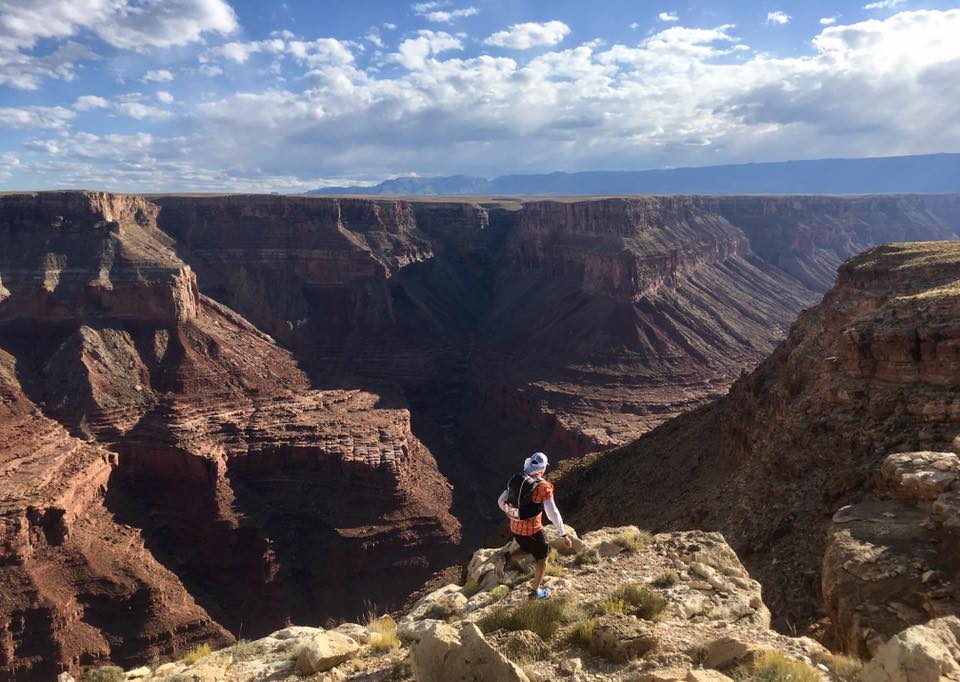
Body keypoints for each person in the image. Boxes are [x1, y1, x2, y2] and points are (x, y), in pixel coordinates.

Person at [496, 451, 573, 599]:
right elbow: (552, 513)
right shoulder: (543, 486)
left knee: (527, 547)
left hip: (515, 528)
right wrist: (563, 533)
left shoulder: (517, 479)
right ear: (543, 468)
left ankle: (507, 558)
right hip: (532, 529)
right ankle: (535, 593)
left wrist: (512, 513)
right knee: (543, 557)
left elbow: (500, 501)